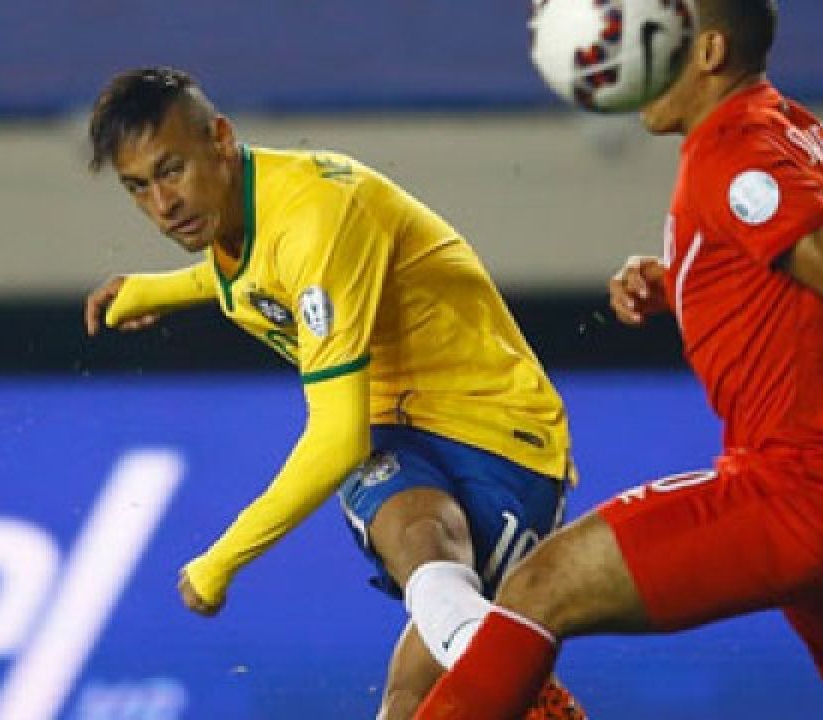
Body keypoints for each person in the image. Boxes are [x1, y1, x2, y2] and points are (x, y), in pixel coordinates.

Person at [413, 0, 823, 720]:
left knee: (540, 586)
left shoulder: (735, 154)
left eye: (654, 31)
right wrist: (681, 279)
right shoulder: (784, 125)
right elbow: (794, 278)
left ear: (708, 50)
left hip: (803, 488)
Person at [82, 67, 586, 720]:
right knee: (406, 693)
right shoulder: (249, 213)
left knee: (431, 652)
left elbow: (336, 437)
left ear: (221, 139)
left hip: (502, 436)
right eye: (137, 188)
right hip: (399, 429)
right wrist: (156, 290)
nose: (162, 204)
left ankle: (513, 680)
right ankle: (502, 666)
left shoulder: (318, 215)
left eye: (171, 169)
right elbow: (263, 274)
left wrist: (221, 560)